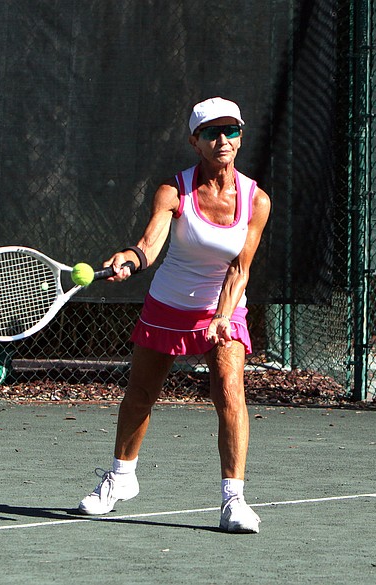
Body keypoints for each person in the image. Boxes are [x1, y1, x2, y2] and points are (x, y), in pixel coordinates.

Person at [77, 97, 272, 533]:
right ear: (195, 142)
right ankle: (121, 478)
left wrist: (223, 316)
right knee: (141, 394)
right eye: (212, 133)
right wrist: (130, 259)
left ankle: (233, 501)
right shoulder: (174, 190)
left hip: (223, 307)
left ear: (241, 137)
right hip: (168, 305)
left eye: (232, 131)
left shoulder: (256, 200)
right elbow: (149, 244)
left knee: (229, 393)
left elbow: (240, 268)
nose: (223, 140)